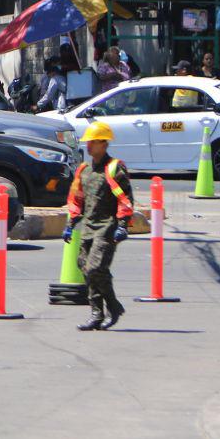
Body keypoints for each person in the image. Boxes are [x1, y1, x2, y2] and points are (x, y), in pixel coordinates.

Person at [63, 121, 133, 331]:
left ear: (103, 144)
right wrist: (71, 222)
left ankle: (111, 306)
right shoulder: (84, 170)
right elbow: (77, 199)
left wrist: (123, 225)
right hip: (88, 226)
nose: (89, 146)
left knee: (96, 267)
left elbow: (125, 198)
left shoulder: (114, 168)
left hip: (107, 226)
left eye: (92, 142)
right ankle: (97, 313)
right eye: (88, 142)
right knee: (85, 267)